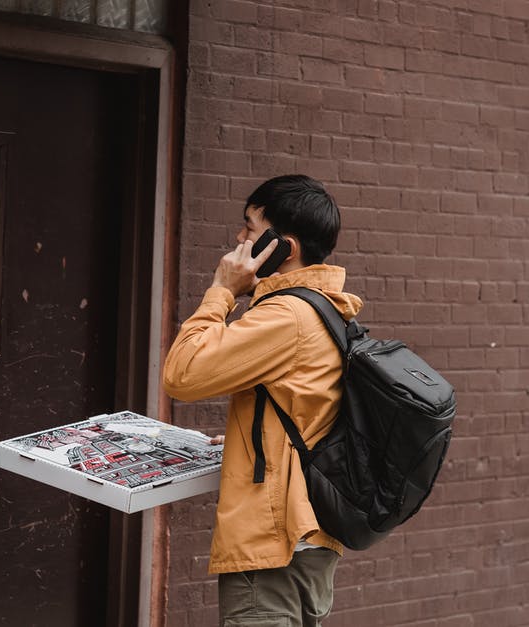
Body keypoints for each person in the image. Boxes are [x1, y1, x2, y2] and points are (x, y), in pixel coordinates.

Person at [163, 175, 363, 626]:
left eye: (249, 228)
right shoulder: (326, 307)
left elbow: (182, 374)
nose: (239, 239)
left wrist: (222, 291)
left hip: (275, 546)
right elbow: (302, 410)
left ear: (283, 248)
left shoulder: (288, 315)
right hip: (304, 537)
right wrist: (244, 441)